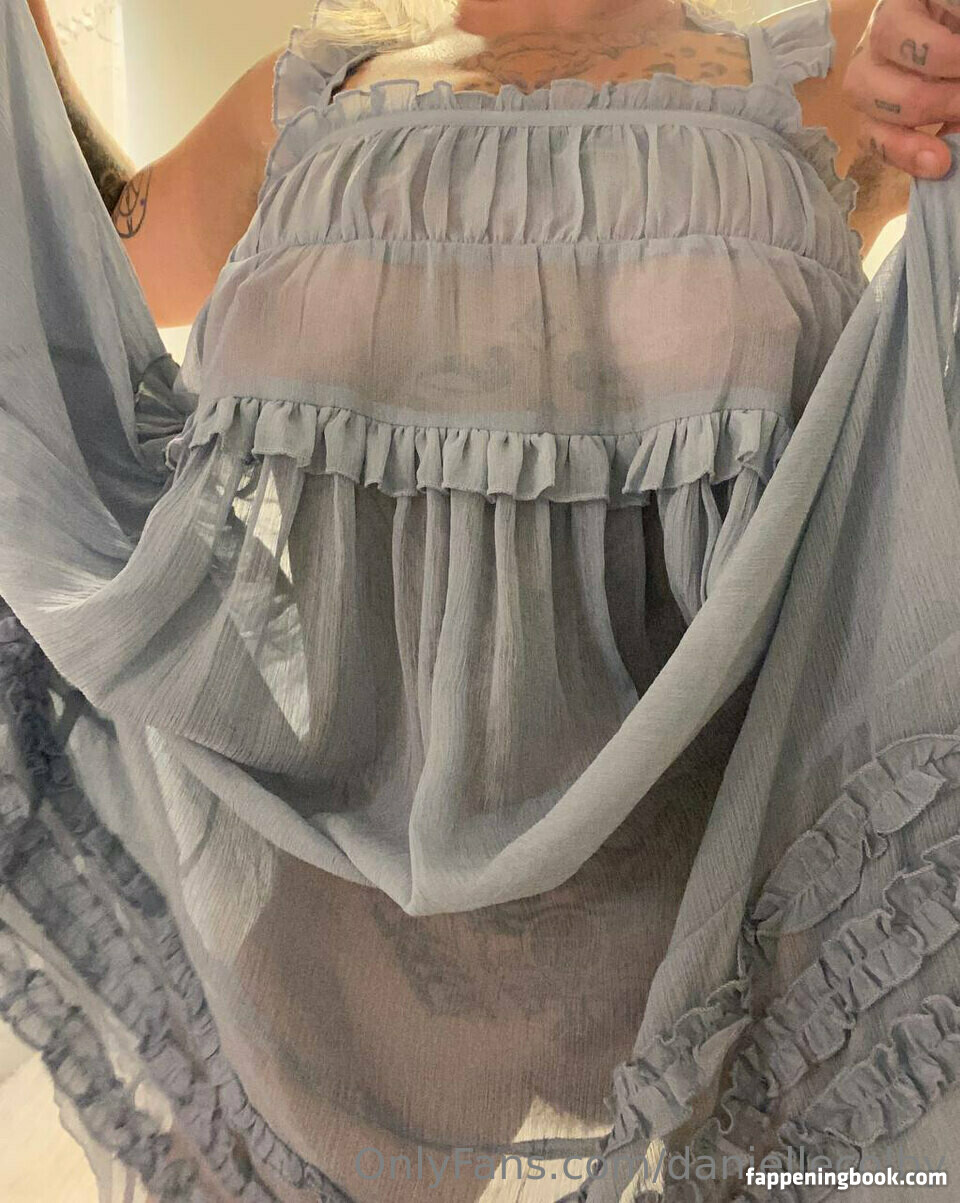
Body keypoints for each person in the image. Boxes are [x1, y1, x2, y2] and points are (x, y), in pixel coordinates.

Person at [1, 0, 959, 1201]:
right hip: (337, 972)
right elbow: (52, 286)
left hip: (718, 969)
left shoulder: (836, 79)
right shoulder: (299, 104)